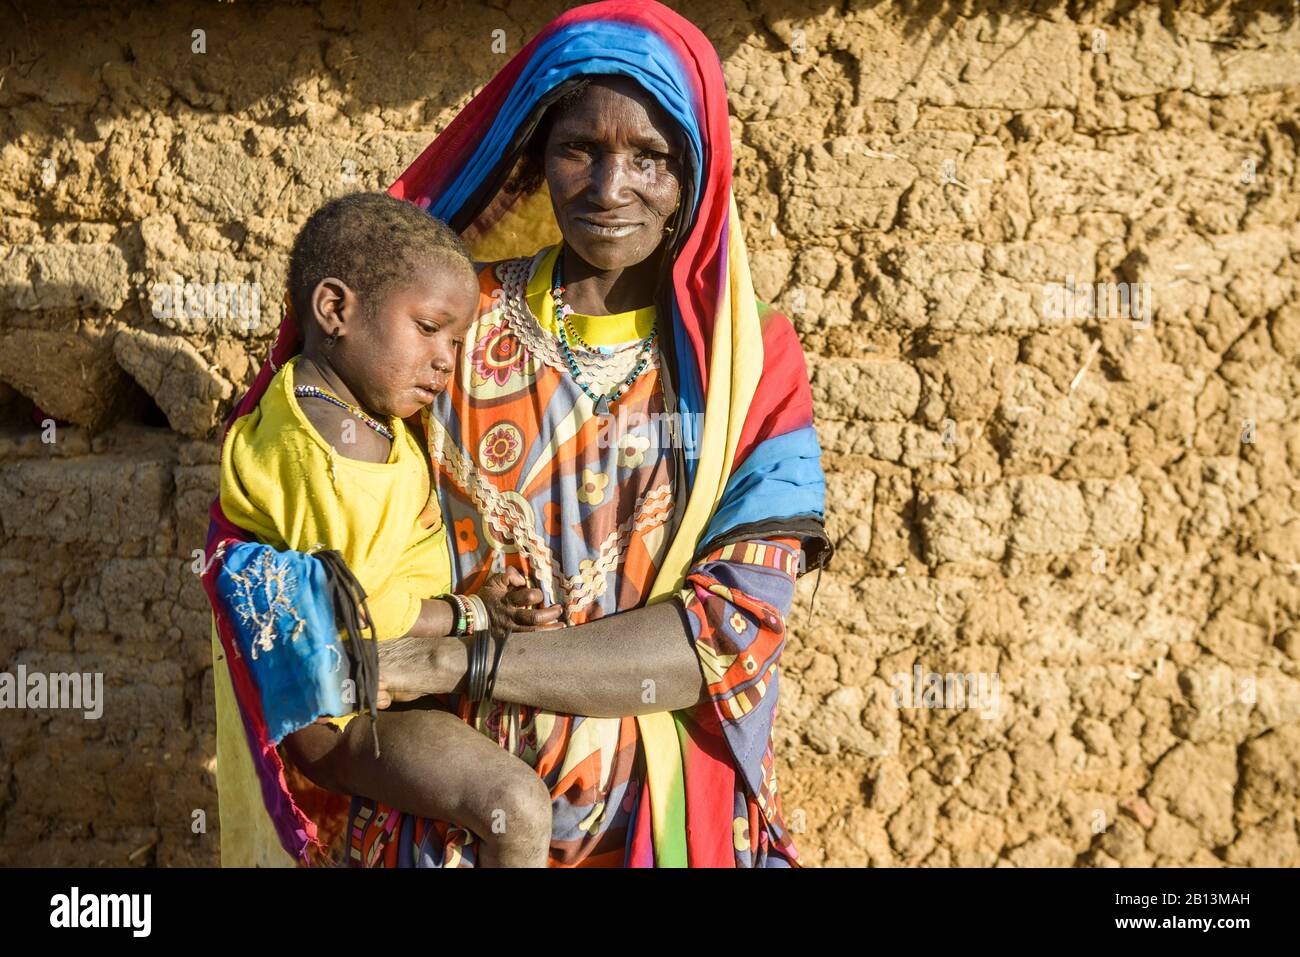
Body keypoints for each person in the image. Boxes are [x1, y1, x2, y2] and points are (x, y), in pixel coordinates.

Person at [202, 0, 831, 868]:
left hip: (659, 820)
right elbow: (295, 525)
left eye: (650, 157)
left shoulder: (751, 366)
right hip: (449, 821)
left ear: (696, 171)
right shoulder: (448, 322)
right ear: (536, 153)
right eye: (580, 149)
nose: (611, 190)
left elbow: (725, 636)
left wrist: (459, 659)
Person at [205, 192, 561, 866]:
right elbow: (359, 613)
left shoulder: (312, 404)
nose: (446, 359)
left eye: (457, 340)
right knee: (515, 805)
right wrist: (469, 611)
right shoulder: (345, 448)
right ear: (335, 309)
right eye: (428, 327)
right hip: (343, 721)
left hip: (355, 701)